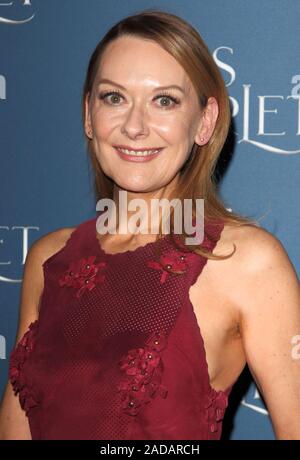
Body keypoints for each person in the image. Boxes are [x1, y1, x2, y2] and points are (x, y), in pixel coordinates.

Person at [0, 9, 299, 440]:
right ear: (89, 115)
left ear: (205, 121)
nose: (135, 126)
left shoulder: (246, 262)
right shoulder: (49, 259)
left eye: (165, 101)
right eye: (114, 98)